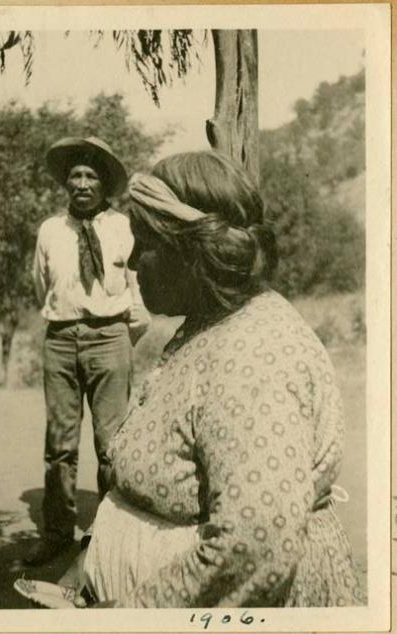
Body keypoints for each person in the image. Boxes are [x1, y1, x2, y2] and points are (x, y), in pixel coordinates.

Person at [67, 150, 363, 607]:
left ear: (191, 252)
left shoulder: (255, 356)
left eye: (142, 242)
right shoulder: (211, 322)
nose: (127, 261)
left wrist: (129, 615)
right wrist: (93, 552)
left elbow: (255, 541)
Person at [26, 137, 150, 566]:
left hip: (110, 336)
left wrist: (116, 337)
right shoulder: (50, 230)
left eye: (91, 176)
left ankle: (108, 536)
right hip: (60, 339)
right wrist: (68, 322)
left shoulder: (123, 227)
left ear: (104, 185)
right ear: (66, 183)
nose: (82, 184)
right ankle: (57, 533)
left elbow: (139, 293)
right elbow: (43, 286)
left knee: (111, 441)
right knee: (59, 443)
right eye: (75, 176)